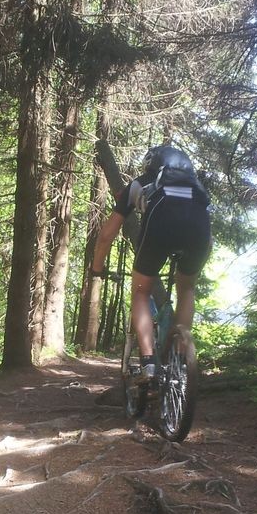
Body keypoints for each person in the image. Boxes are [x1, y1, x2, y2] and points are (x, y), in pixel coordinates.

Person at [90, 144, 211, 383]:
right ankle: (179, 360)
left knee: (141, 293)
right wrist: (196, 265)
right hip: (199, 228)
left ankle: (148, 365)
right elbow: (208, 239)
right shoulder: (197, 187)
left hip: (160, 222)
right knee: (187, 289)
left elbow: (106, 235)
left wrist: (97, 268)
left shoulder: (140, 183)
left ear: (151, 165)